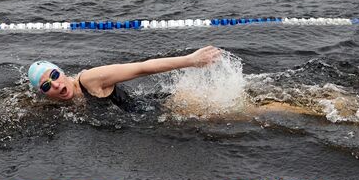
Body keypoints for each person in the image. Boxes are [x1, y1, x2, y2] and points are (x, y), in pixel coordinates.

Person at [28, 46, 223, 113]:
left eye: (54, 76)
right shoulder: (59, 102)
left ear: (61, 72)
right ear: (44, 93)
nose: (55, 84)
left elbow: (141, 68)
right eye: (46, 86)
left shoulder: (90, 79)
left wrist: (190, 60)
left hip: (171, 106)